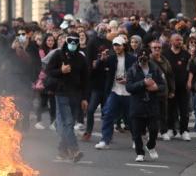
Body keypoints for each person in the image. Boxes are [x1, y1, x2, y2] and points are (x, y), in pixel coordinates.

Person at [45, 33, 89, 162]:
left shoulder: (81, 59)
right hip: (61, 94)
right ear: (66, 41)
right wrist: (61, 71)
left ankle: (62, 150)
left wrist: (85, 98)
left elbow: (85, 80)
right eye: (71, 41)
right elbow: (48, 71)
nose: (73, 44)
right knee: (68, 122)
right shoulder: (58, 55)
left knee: (67, 124)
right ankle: (74, 150)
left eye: (76, 42)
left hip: (76, 96)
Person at [126, 49, 165, 162]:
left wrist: (156, 87)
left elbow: (163, 85)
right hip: (137, 105)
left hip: (152, 104)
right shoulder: (132, 70)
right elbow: (129, 87)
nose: (143, 60)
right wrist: (143, 83)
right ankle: (140, 153)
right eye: (141, 58)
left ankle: (151, 145)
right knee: (137, 132)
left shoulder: (155, 69)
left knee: (154, 129)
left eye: (145, 58)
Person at [96, 35, 134, 149]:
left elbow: (137, 74)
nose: (116, 47)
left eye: (118, 45)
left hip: (128, 93)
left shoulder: (132, 59)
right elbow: (98, 69)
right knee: (108, 114)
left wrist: (128, 80)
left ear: (124, 46)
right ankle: (105, 140)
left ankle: (136, 140)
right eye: (114, 45)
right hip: (114, 91)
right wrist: (101, 60)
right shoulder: (111, 58)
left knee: (131, 118)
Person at [162, 33, 191, 140]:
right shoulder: (165, 54)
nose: (179, 42)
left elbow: (190, 70)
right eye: (177, 40)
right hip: (170, 87)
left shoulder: (186, 54)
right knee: (170, 109)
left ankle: (184, 130)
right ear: (171, 41)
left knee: (184, 110)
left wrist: (189, 81)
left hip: (183, 87)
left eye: (181, 40)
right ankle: (170, 129)